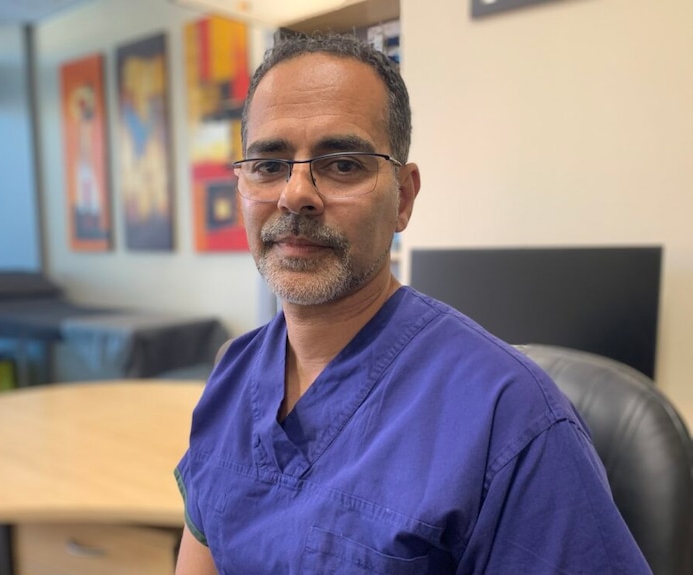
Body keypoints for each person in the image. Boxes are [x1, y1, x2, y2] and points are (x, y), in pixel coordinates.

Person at [174, 32, 651, 574]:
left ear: (403, 198)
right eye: (268, 165)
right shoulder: (232, 377)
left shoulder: (511, 419)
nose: (295, 194)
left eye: (343, 164)